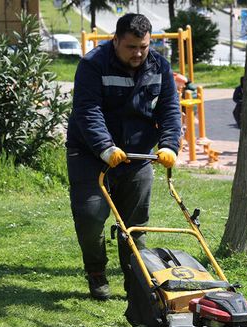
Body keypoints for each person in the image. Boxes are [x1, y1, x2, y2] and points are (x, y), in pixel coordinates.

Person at [66, 13, 181, 302]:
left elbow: (169, 109)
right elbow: (87, 109)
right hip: (90, 153)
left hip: (137, 155)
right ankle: (95, 272)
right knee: (91, 218)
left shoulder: (159, 66)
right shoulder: (93, 64)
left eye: (143, 46)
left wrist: (169, 145)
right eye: (131, 47)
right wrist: (105, 147)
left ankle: (137, 287)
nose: (139, 53)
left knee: (135, 226)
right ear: (115, 40)